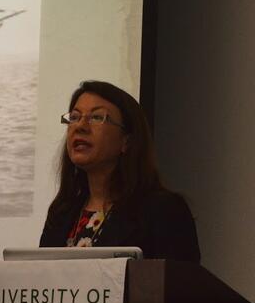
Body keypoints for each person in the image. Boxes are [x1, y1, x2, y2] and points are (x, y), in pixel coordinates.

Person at [39, 80, 201, 262]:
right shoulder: (61, 213)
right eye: (75, 117)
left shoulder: (163, 211)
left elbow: (180, 286)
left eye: (97, 117)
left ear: (127, 141)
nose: (80, 126)